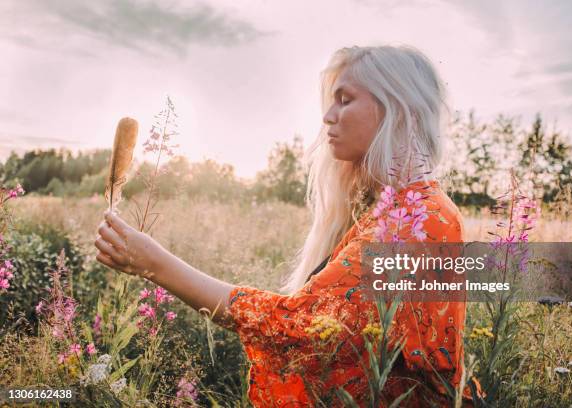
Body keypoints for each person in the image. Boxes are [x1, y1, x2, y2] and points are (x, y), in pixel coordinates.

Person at [95, 45, 483, 407]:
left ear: (398, 109)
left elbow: (294, 326)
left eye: (345, 100)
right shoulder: (403, 210)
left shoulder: (420, 220)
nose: (328, 115)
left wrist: (154, 263)